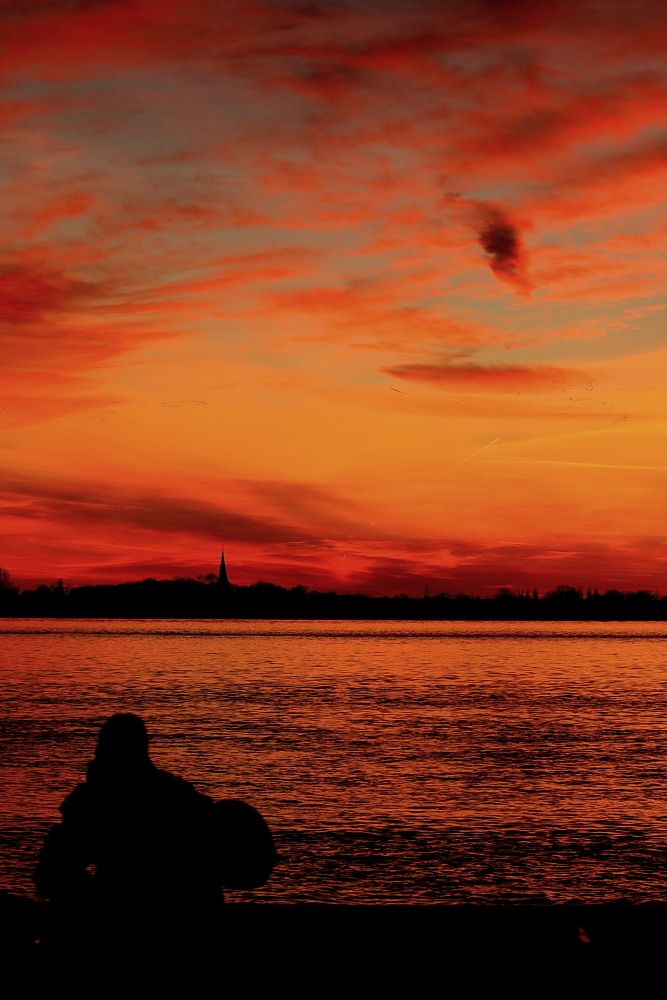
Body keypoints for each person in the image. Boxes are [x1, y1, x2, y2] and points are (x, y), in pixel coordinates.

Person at [34, 713, 276, 953]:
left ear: (104, 750)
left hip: (128, 924)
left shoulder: (92, 801)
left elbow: (51, 876)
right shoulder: (179, 793)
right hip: (187, 921)